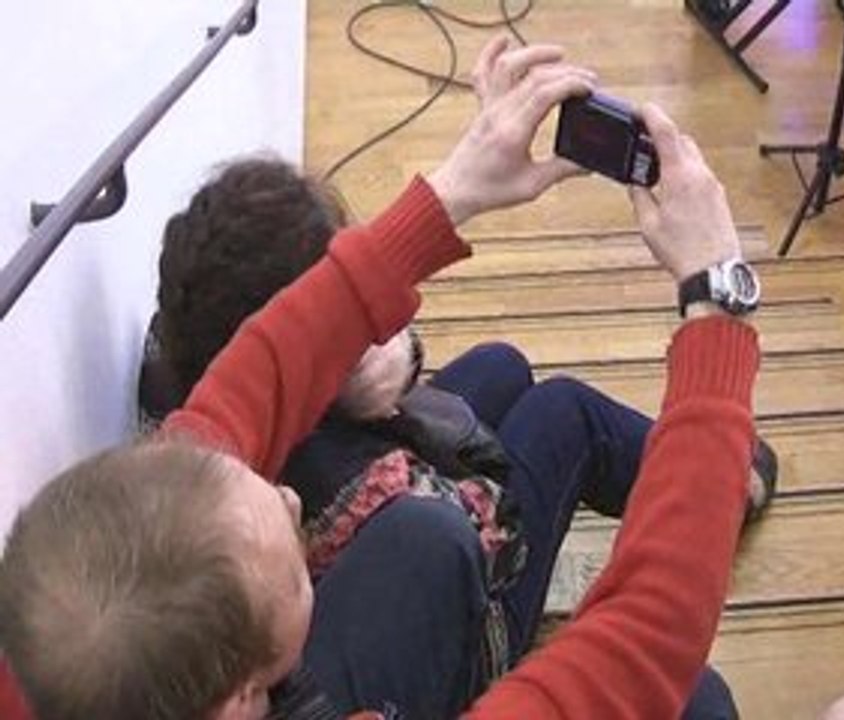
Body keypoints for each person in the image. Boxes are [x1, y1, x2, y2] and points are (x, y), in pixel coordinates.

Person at [1, 36, 762, 720]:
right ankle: (738, 478)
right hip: (462, 610)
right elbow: (647, 635)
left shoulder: (48, 661)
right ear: (243, 699)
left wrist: (454, 191)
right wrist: (717, 307)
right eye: (293, 567)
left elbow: (262, 368)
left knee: (501, 379)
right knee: (702, 697)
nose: (289, 491)